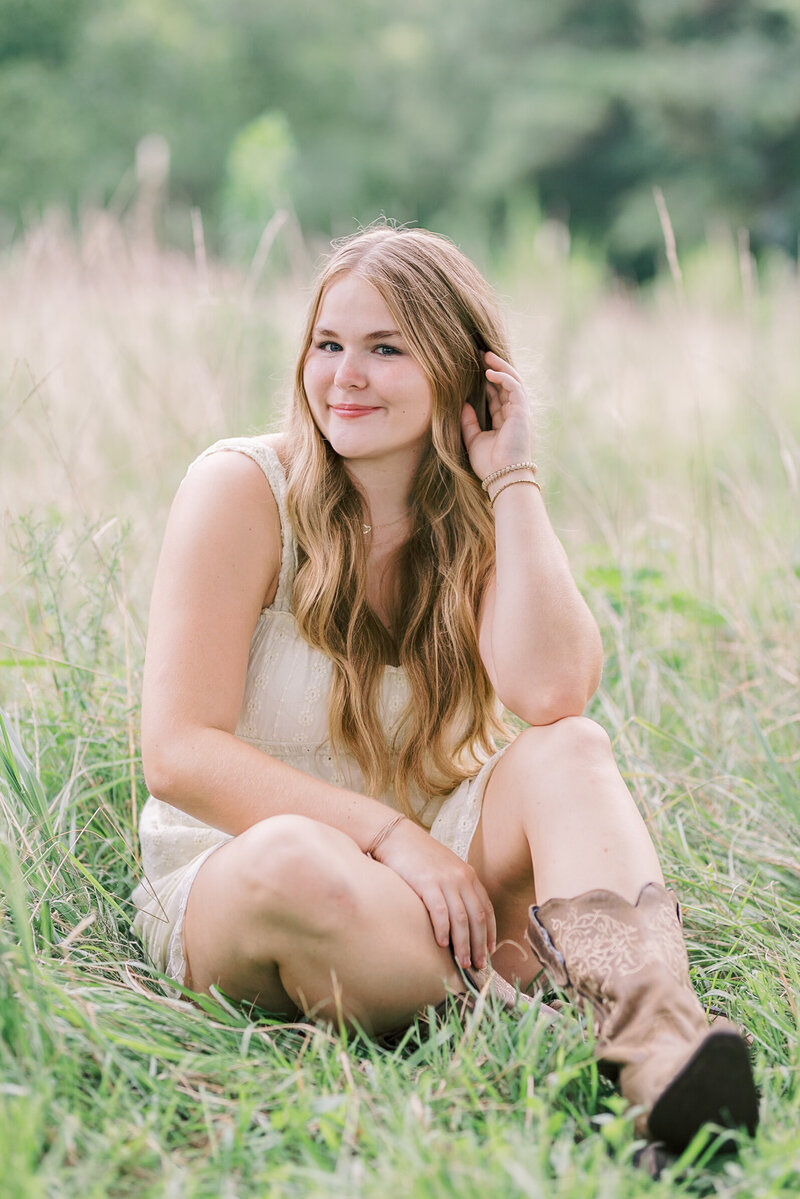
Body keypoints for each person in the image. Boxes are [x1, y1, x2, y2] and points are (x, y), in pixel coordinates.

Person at [131, 224, 757, 1154]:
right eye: (329, 343)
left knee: (572, 751)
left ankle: (657, 1052)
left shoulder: (474, 514)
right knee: (298, 856)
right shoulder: (241, 491)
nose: (346, 374)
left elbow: (553, 691)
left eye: (386, 349)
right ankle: (529, 1024)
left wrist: (513, 478)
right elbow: (178, 752)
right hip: (250, 878)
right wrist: (388, 838)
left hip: (443, 886)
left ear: (460, 374)